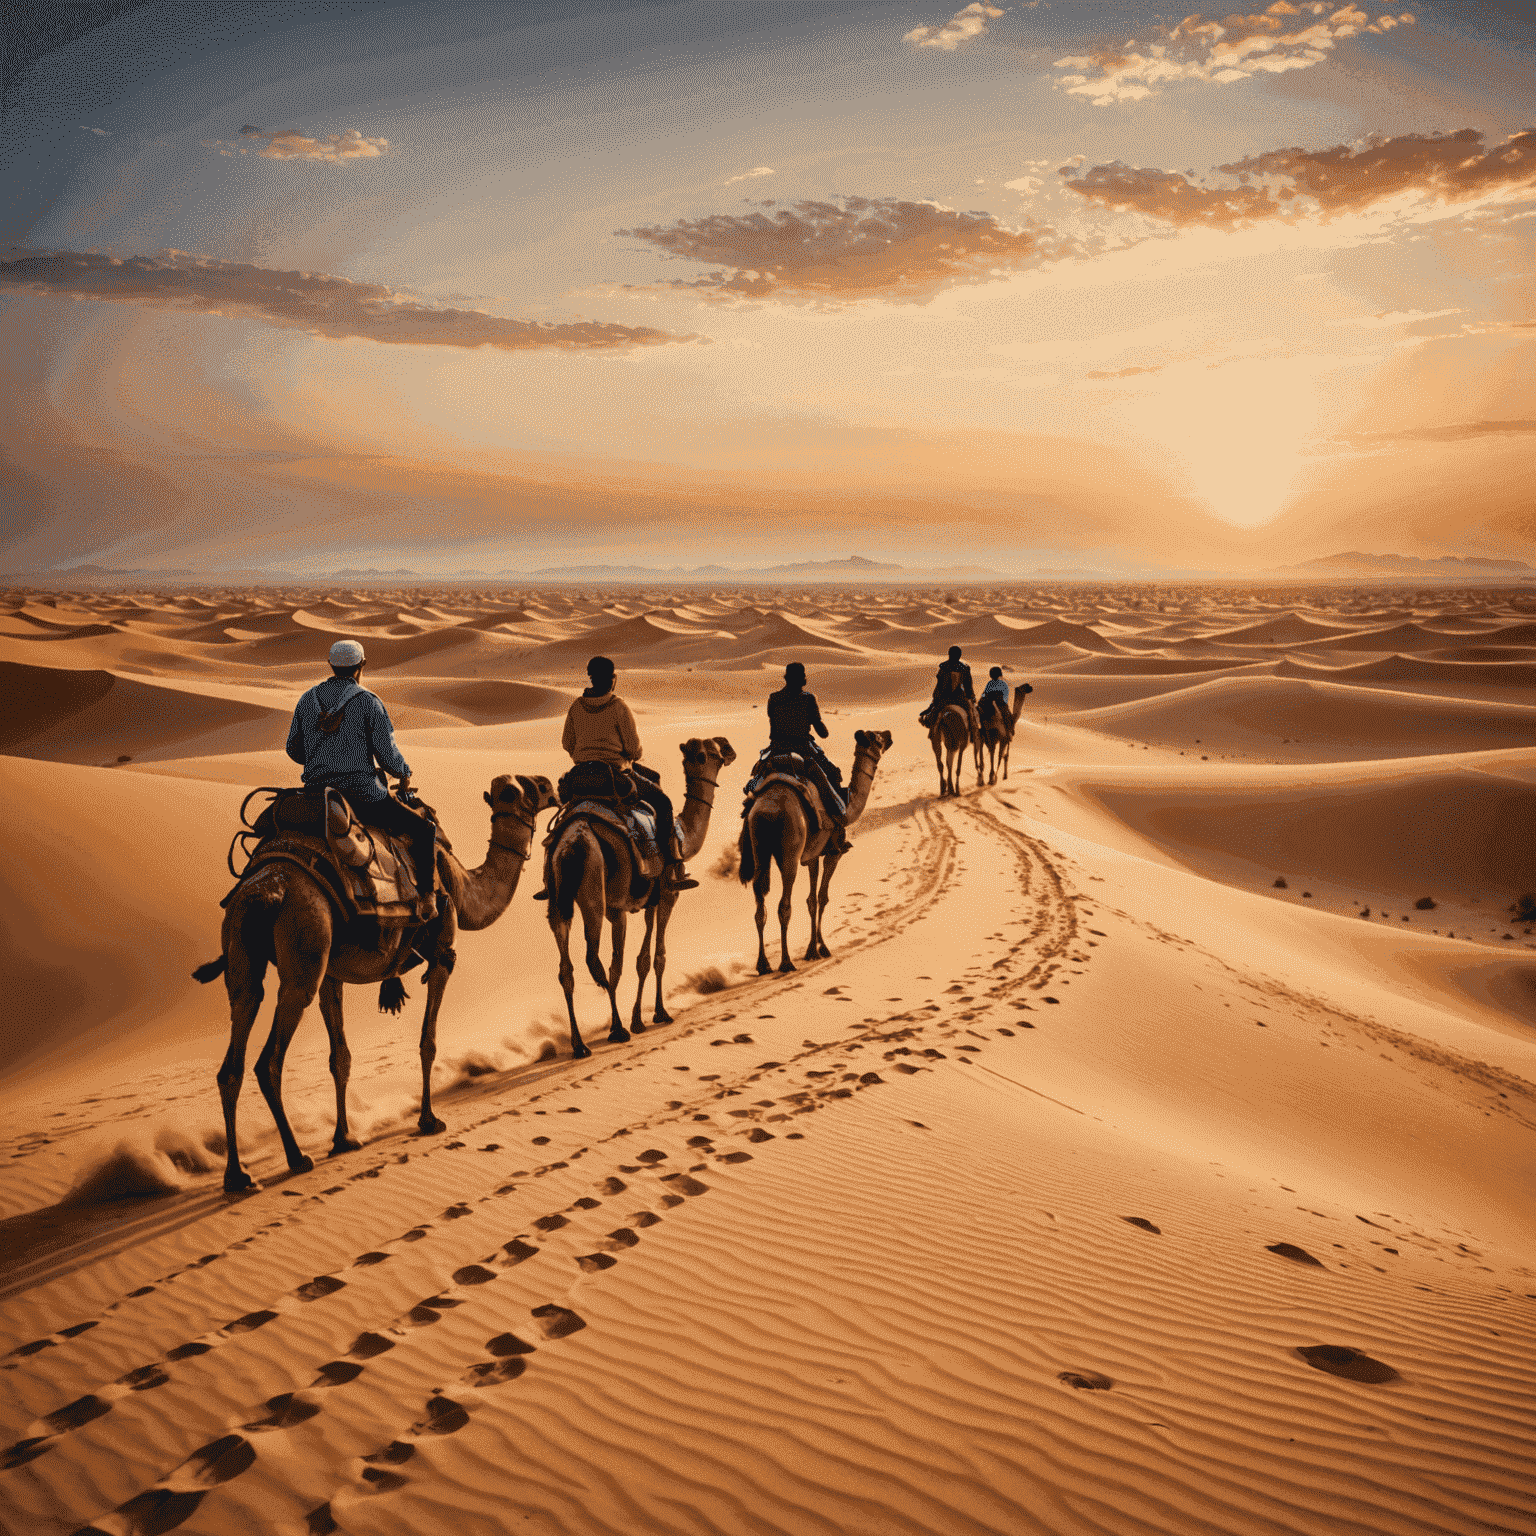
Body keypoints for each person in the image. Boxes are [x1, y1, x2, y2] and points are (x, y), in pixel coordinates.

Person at [285, 639, 437, 918]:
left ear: (331, 665)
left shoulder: (308, 699)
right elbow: (387, 755)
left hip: (317, 794)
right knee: (424, 830)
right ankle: (428, 898)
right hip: (363, 795)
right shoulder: (368, 701)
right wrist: (403, 771)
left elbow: (293, 749)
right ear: (361, 667)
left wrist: (321, 759)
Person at [540, 655, 696, 895]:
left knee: (563, 821)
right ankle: (672, 867)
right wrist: (626, 753)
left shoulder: (576, 706)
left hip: (580, 777)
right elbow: (634, 749)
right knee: (663, 803)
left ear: (591, 678)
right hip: (614, 777)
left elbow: (567, 743)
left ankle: (549, 878)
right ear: (613, 680)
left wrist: (586, 752)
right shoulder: (618, 706)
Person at [919, 646, 978, 737]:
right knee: (970, 713)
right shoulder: (964, 668)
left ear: (949, 654)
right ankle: (973, 735)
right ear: (959, 655)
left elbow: (939, 685)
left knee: (934, 712)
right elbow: (968, 686)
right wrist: (971, 697)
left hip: (945, 698)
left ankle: (931, 730)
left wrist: (935, 699)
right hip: (960, 698)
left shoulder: (943, 667)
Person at [979, 666, 1013, 737]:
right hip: (1000, 704)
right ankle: (1009, 732)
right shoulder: (1003, 684)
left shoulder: (990, 683)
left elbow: (985, 693)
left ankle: (980, 730)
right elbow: (1005, 697)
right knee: (1007, 715)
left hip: (989, 703)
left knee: (979, 712)